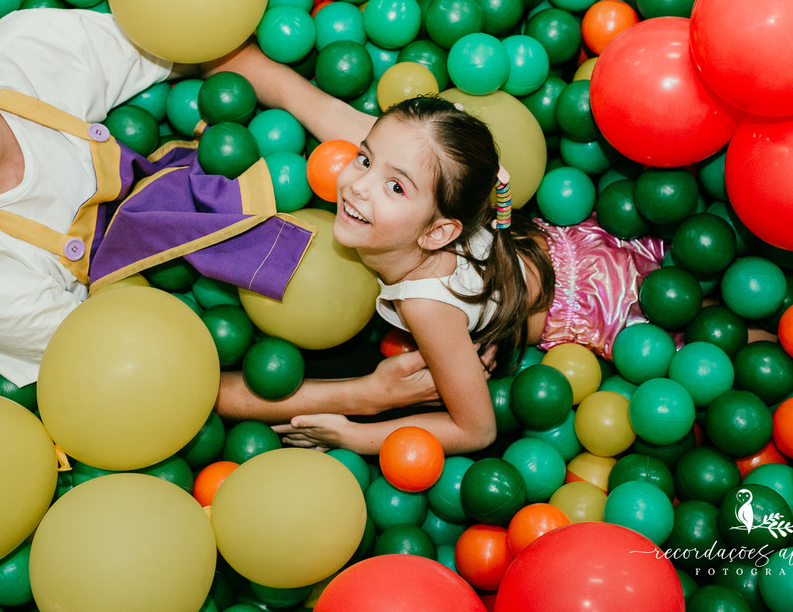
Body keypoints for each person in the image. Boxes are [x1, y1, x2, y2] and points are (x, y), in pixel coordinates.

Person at [0, 0, 441, 412]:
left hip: (250, 186)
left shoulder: (25, 55)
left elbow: (202, 45)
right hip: (192, 339)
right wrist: (355, 396)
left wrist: (333, 117)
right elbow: (155, 387)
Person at [218, 96, 666, 455]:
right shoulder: (437, 187)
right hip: (575, 242)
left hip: (607, 307)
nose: (358, 185)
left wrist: (358, 437)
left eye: (396, 187)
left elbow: (476, 430)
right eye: (364, 160)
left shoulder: (427, 305)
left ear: (438, 232)